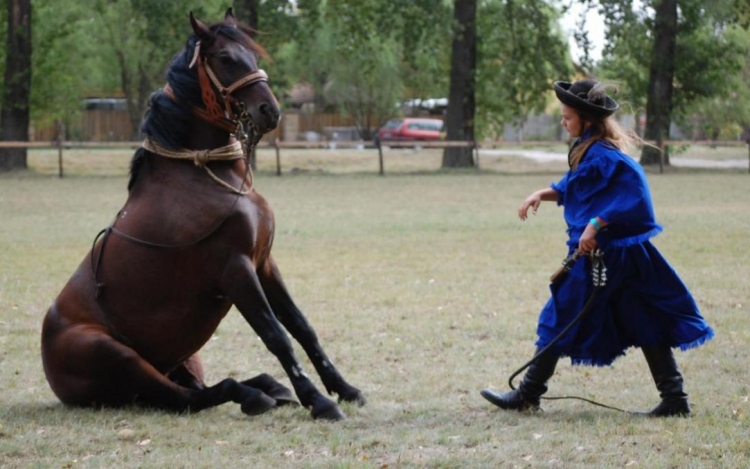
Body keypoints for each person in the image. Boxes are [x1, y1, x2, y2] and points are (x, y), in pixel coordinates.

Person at [480, 79, 714, 417]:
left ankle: (528, 394)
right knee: (643, 316)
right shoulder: (586, 149)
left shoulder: (604, 154)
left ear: (587, 120)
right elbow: (577, 188)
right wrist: (541, 194)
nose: (563, 122)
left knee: (560, 315)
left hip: (606, 255)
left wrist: (595, 224)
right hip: (613, 255)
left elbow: (634, 196)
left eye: (567, 117)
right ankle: (675, 399)